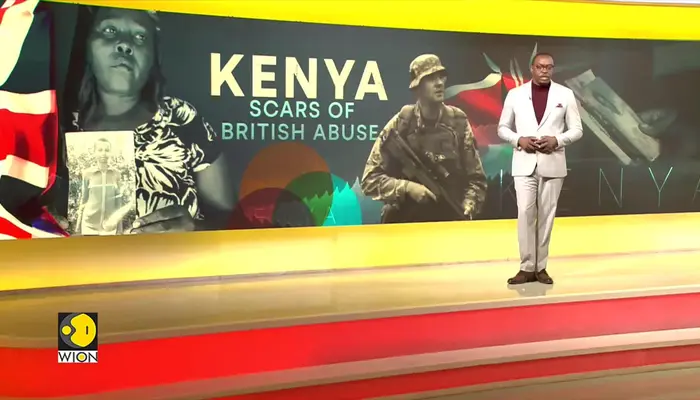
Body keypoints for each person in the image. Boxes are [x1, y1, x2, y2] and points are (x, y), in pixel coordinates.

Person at [60, 6, 234, 234]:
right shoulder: (56, 126)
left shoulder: (182, 119)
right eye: (110, 30)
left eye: (140, 36)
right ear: (88, 44)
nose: (124, 44)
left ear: (153, 56)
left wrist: (195, 230)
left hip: (179, 258)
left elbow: (231, 224)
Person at [361, 54, 487, 223]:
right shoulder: (402, 123)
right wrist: (408, 188)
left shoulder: (458, 122)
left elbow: (476, 180)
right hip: (406, 222)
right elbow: (369, 180)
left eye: (441, 77)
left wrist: (467, 207)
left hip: (447, 220)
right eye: (430, 78)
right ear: (417, 87)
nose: (439, 83)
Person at [497, 52, 583, 285]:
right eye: (540, 66)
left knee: (546, 216)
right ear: (532, 68)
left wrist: (557, 140)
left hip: (552, 162)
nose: (544, 70)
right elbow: (502, 128)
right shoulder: (515, 95)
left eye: (549, 67)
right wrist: (519, 140)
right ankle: (526, 267)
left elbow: (577, 129)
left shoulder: (565, 94)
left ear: (552, 69)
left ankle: (541, 267)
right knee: (525, 214)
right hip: (524, 162)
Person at [77, 138, 129, 235]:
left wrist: (120, 228)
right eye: (100, 150)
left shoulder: (116, 173)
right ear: (94, 152)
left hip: (109, 227)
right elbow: (84, 199)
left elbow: (118, 203)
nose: (103, 154)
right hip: (89, 226)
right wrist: (78, 227)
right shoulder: (87, 173)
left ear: (110, 153)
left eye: (107, 150)